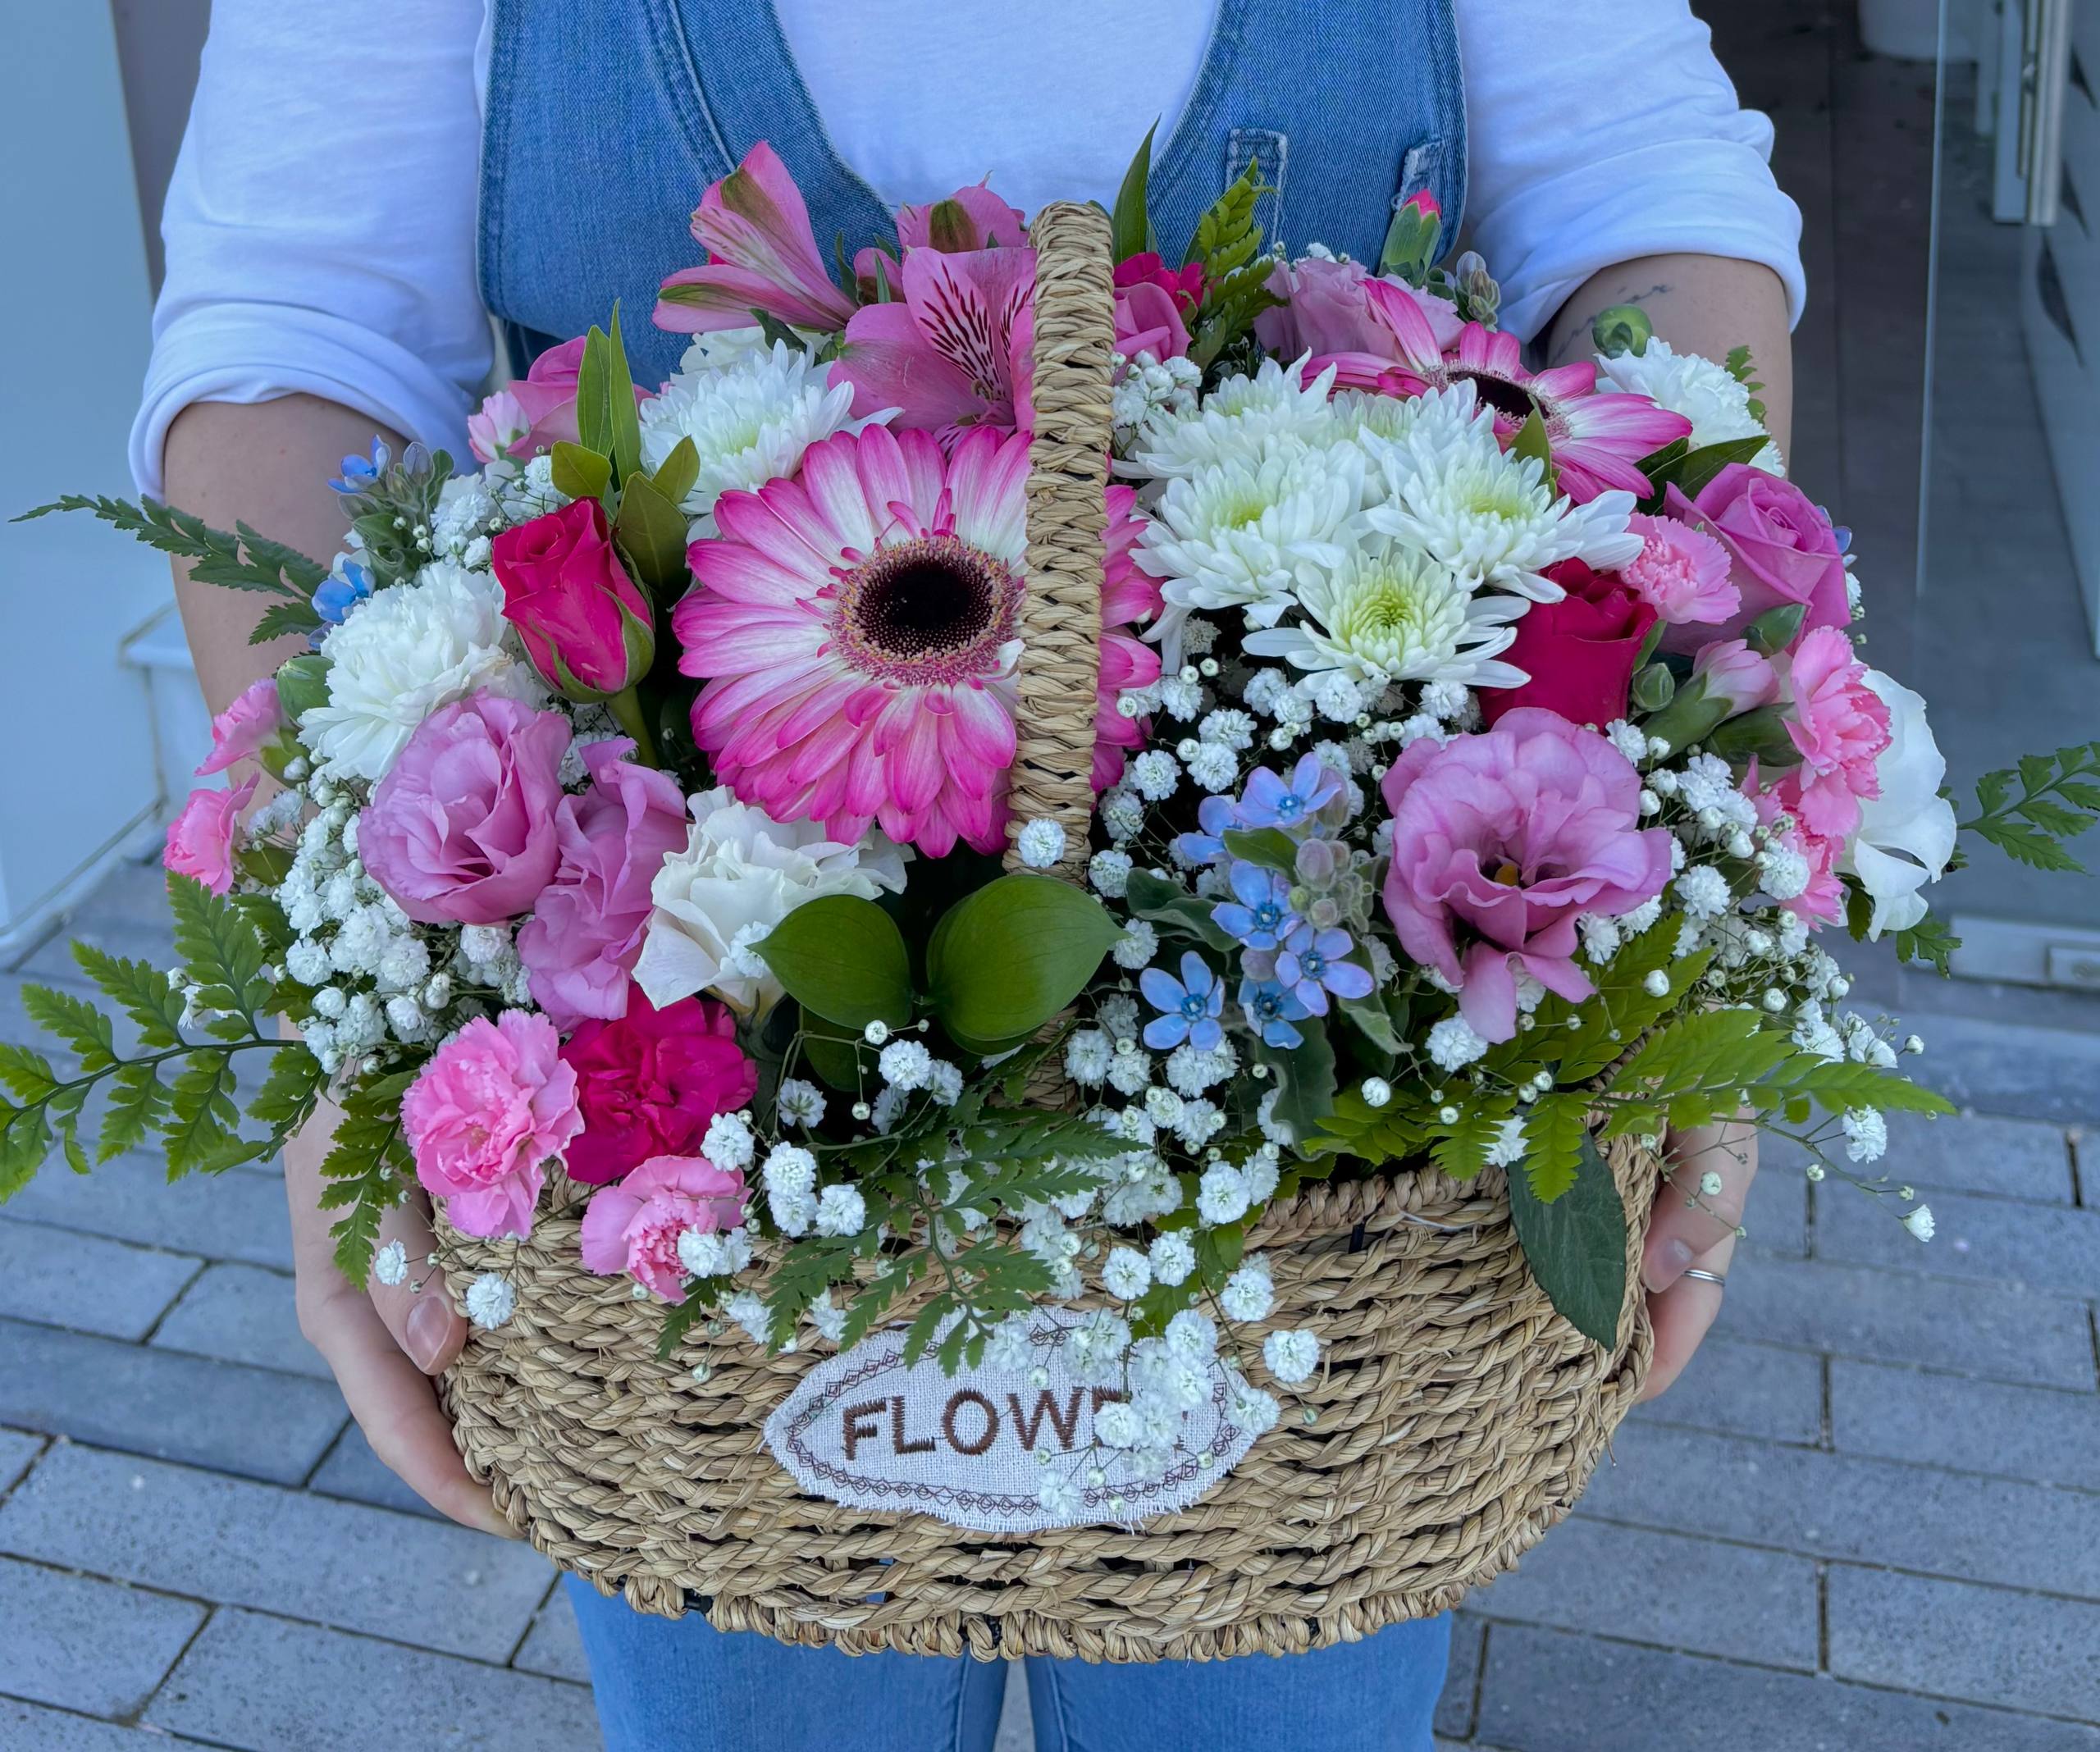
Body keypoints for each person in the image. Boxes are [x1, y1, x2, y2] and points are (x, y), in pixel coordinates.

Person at [138, 3, 1793, 1746]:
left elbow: (1644, 206)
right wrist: (354, 969)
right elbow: (295, 329)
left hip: (1306, 1224)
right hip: (695, 1168)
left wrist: (1698, 857)